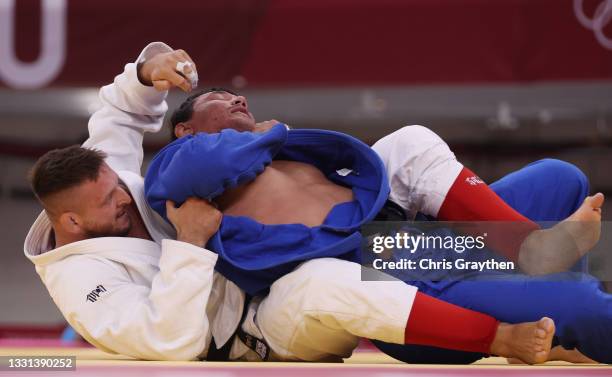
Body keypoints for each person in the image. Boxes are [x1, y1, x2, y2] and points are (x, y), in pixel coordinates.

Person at [24, 42, 555, 364]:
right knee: (326, 280)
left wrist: (146, 73)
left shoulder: (103, 181)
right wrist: (188, 243)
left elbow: (118, 116)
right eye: (111, 202)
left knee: (407, 144)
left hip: (305, 248)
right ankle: (502, 336)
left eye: (120, 184)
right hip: (259, 328)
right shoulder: (81, 287)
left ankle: (534, 246)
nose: (126, 197)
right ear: (69, 221)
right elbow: (172, 342)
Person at [142, 46, 612, 363]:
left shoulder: (277, 155)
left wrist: (274, 140)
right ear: (185, 129)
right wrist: (271, 133)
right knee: (588, 308)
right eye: (221, 99)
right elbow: (198, 167)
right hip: (393, 273)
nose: (239, 97)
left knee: (559, 178)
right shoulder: (174, 166)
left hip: (414, 235)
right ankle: (548, 283)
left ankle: (538, 260)